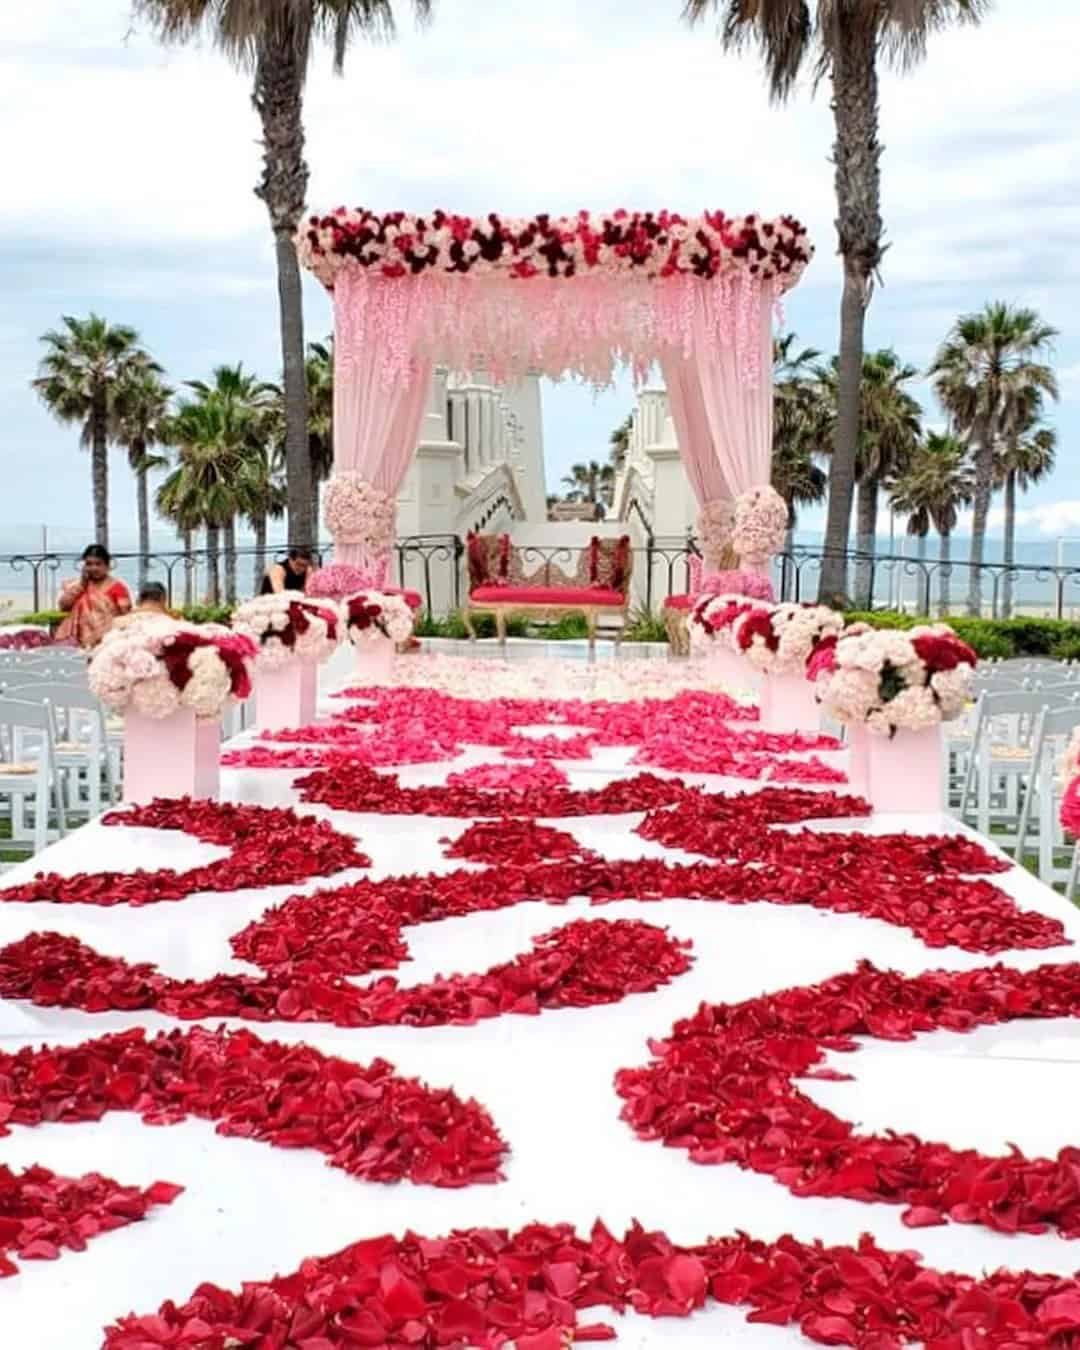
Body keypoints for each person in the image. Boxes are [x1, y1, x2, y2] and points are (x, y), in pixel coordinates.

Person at [56, 545, 132, 649]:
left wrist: (98, 635)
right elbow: (63, 606)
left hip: (107, 644)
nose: (93, 568)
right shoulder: (77, 585)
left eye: (98, 564)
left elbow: (126, 618)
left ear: (107, 566)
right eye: (89, 564)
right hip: (77, 645)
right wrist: (82, 584)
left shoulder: (118, 588)